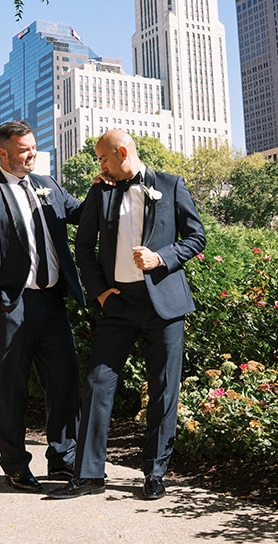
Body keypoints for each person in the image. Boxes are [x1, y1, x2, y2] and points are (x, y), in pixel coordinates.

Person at [48, 129, 205, 501]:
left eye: (103, 158)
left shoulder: (171, 185)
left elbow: (197, 238)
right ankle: (88, 474)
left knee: (164, 388)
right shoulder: (100, 192)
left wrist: (162, 257)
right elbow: (83, 246)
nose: (99, 165)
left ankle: (154, 473)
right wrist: (100, 291)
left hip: (164, 304)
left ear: (121, 153)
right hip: (117, 305)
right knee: (97, 382)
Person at [0, 120, 87, 492]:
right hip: (12, 306)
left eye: (34, 147)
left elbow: (79, 213)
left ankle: (63, 460)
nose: (32, 154)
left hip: (52, 303)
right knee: (12, 389)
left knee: (65, 381)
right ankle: (15, 465)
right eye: (24, 149)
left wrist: (106, 187)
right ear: (4, 152)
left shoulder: (48, 185)